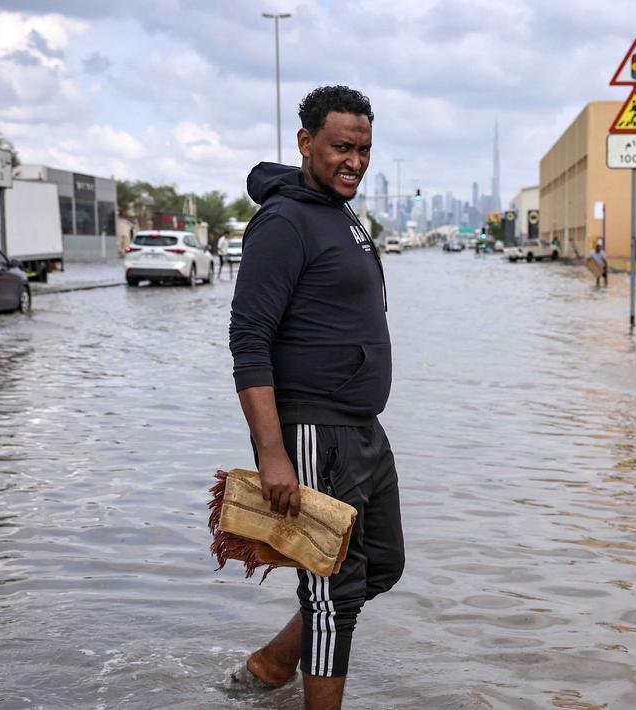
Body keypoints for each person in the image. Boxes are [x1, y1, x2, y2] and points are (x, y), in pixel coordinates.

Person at [228, 85, 403, 710]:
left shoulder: (338, 211)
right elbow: (248, 340)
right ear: (306, 142)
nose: (354, 160)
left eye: (363, 149)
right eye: (340, 147)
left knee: (380, 564)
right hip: (312, 430)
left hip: (361, 429)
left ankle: (273, 664)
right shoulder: (284, 222)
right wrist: (273, 452)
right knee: (331, 588)